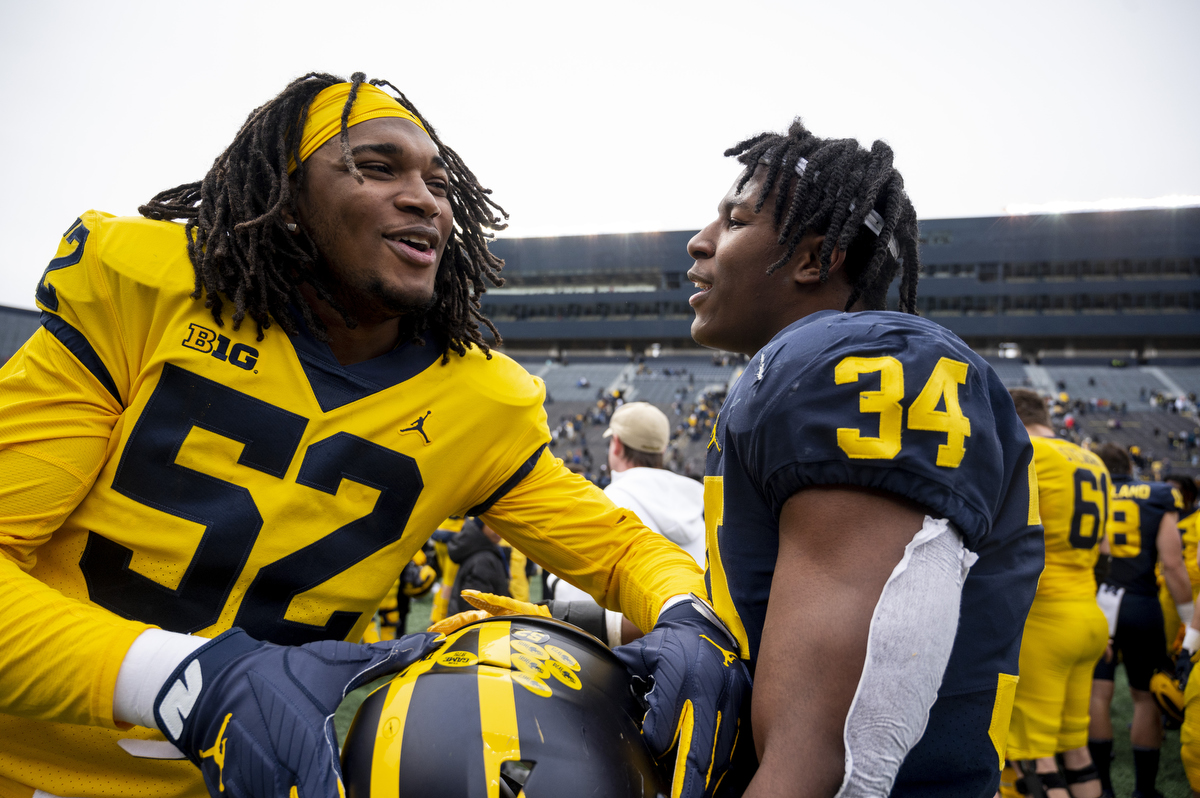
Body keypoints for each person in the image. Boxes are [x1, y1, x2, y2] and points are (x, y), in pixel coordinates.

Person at [0, 72, 744, 798]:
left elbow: (621, 550)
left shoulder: (477, 400)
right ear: (287, 200)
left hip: (257, 776)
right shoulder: (146, 294)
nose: (424, 198)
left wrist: (685, 611)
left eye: (438, 183)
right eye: (376, 167)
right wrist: (188, 679)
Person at [675, 119, 1044, 796]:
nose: (700, 241)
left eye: (734, 221)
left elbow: (839, 755)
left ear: (815, 259)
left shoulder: (861, 365)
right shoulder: (793, 370)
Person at [1000, 389, 1111, 798]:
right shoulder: (1093, 459)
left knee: (1033, 761)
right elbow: (1106, 551)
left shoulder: (1029, 453)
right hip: (1087, 614)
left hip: (1044, 620)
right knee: (1076, 751)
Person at [548, 401, 706, 646]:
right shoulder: (698, 501)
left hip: (627, 655)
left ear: (617, 444)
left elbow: (577, 601)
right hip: (697, 648)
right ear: (661, 449)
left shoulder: (609, 501)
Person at [1088, 443, 1189, 798]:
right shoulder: (1157, 494)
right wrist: (1190, 619)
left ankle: (1102, 788)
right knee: (1145, 698)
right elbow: (1173, 564)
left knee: (1098, 696)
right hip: (1140, 601)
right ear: (1130, 467)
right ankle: (1144, 791)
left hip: (1097, 601)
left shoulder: (1088, 489)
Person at [447, 518, 511, 614]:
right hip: (478, 627)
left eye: (502, 525)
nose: (499, 529)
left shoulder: (483, 551)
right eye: (493, 525)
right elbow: (474, 608)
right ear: (480, 526)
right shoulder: (483, 560)